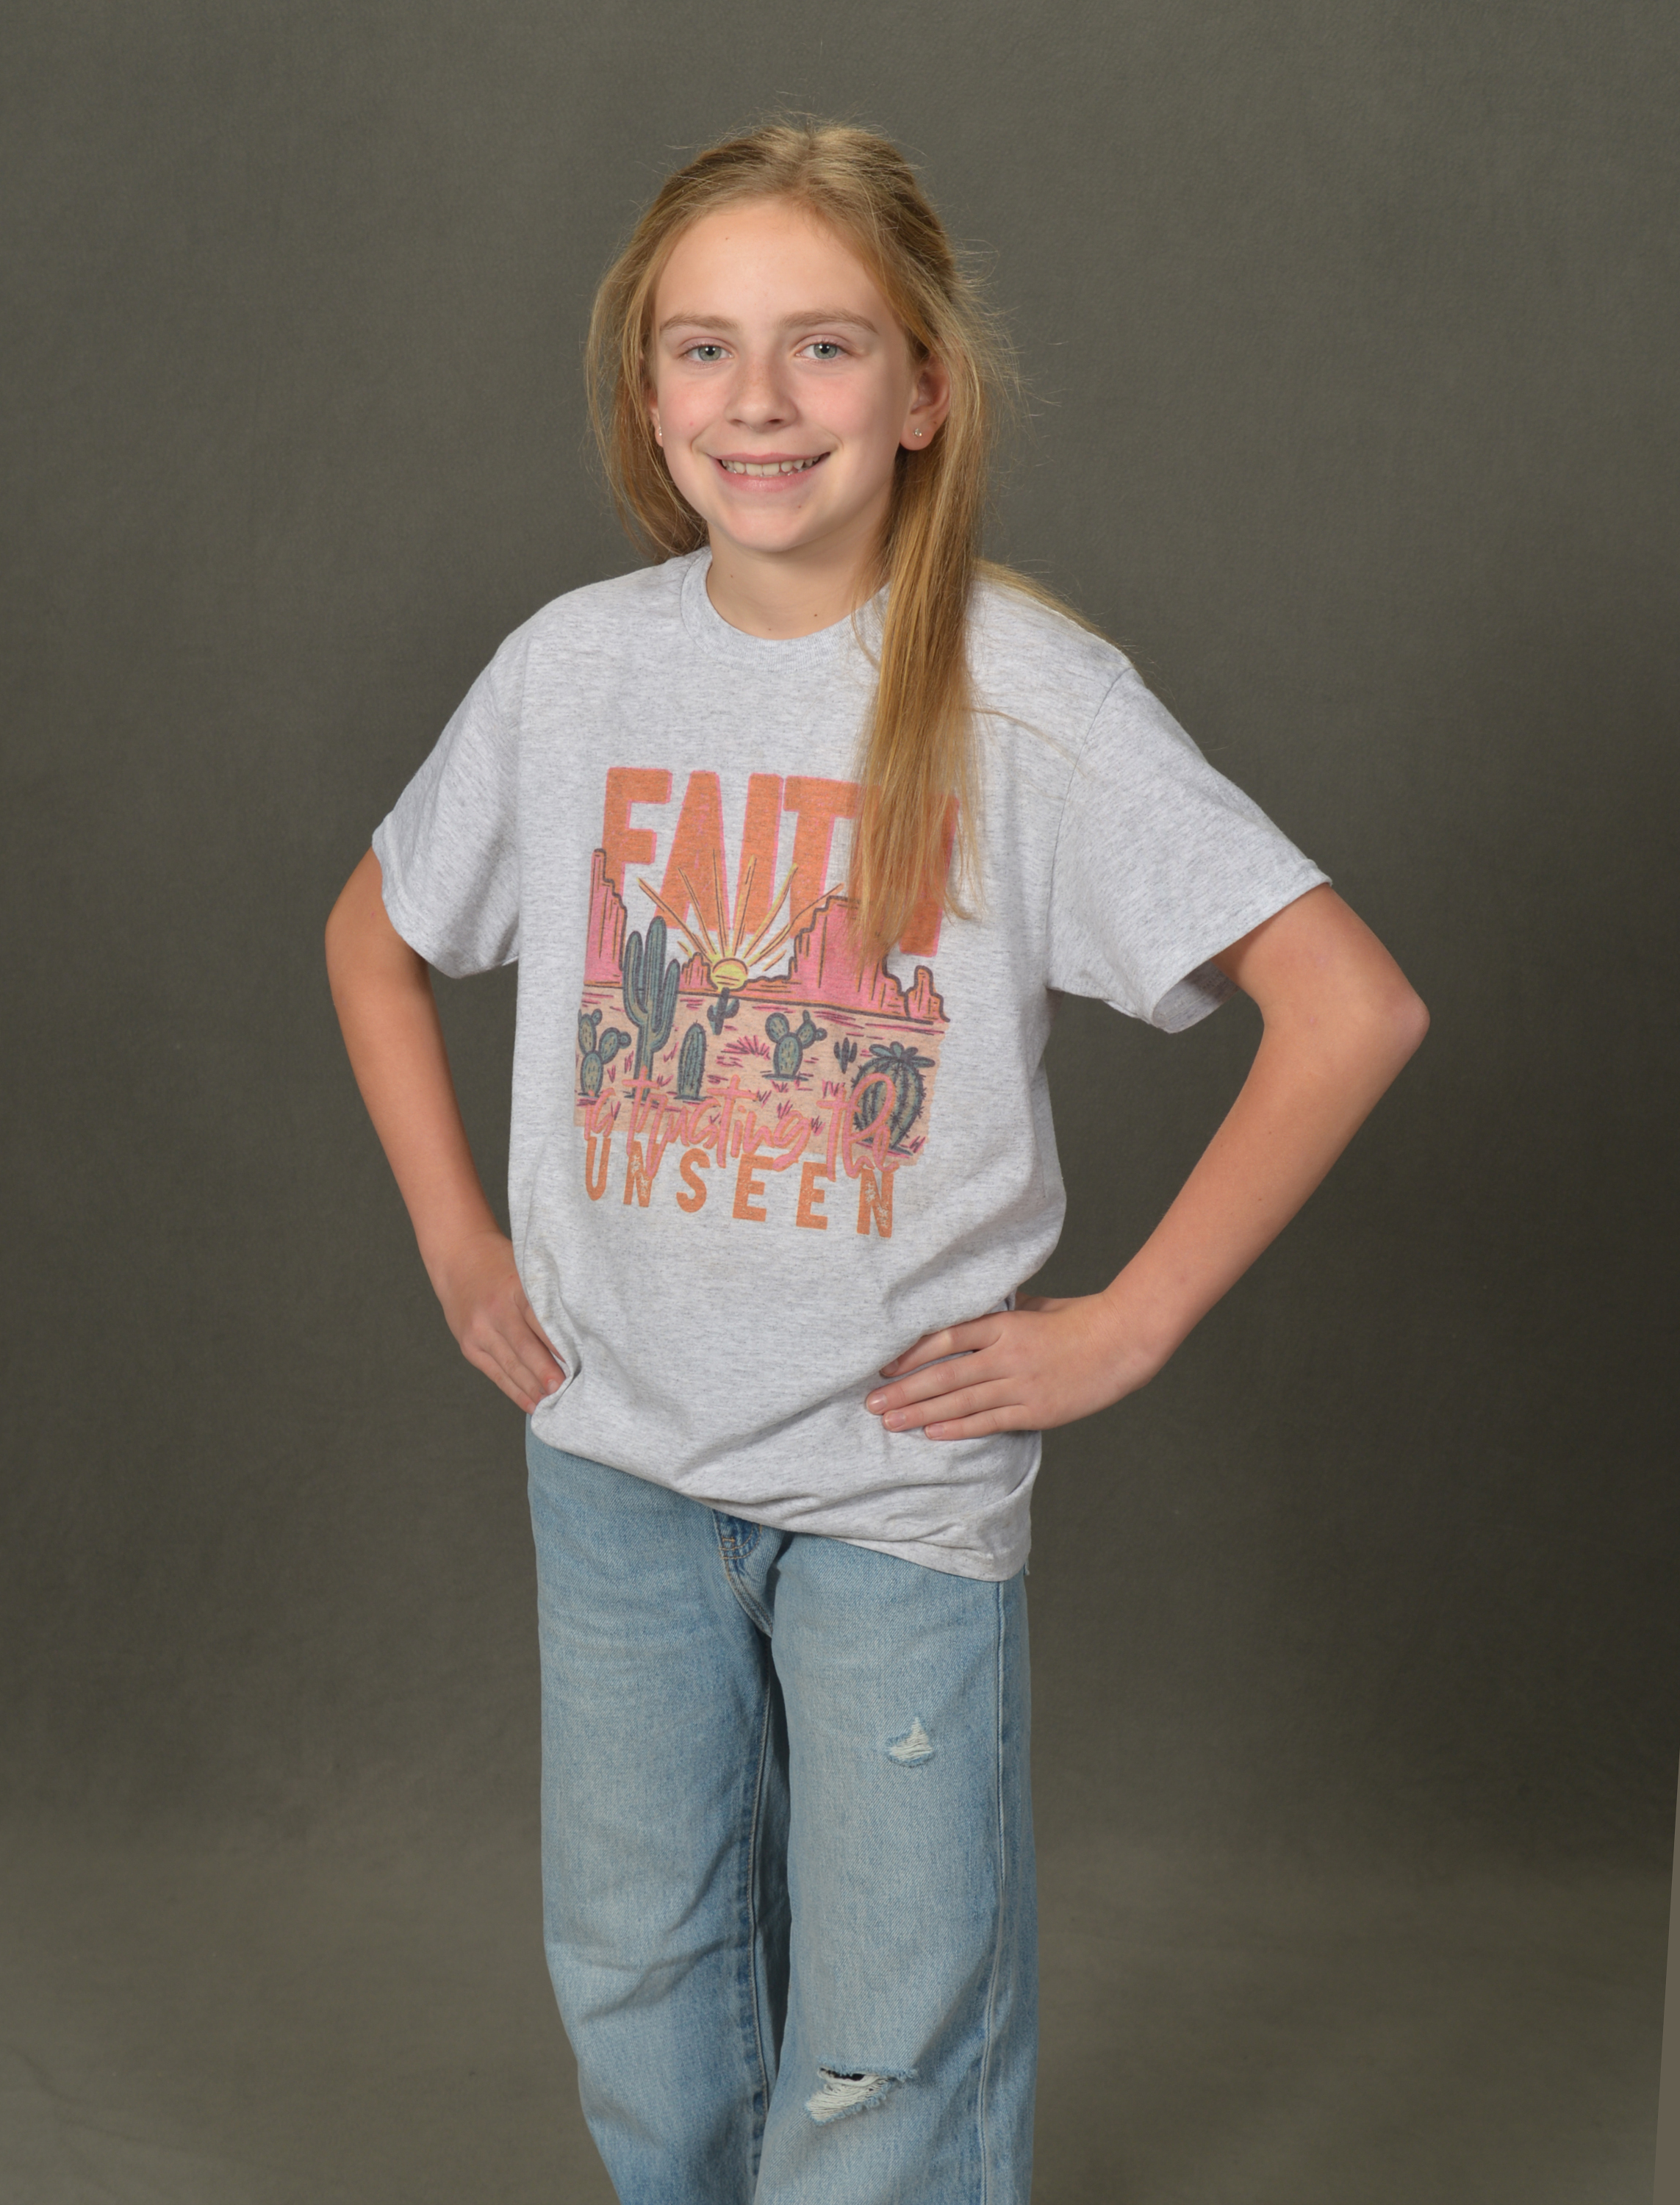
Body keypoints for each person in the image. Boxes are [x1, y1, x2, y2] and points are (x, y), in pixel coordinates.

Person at [324, 120, 1426, 2205]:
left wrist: (1128, 1324)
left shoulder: (1028, 699)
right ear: (646, 393)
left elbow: (1350, 1004)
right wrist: (462, 1244)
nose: (759, 400)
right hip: (616, 1466)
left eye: (823, 347)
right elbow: (370, 939)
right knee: (642, 1984)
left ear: (923, 389)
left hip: (895, 1495)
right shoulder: (573, 673)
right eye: (705, 348)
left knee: (886, 2042)